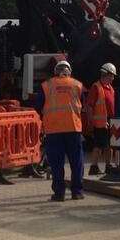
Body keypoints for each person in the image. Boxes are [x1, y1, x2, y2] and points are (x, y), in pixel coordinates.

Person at [36, 60, 85, 202]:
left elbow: (38, 107)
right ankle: (77, 192)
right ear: (69, 71)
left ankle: (59, 194)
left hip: (54, 130)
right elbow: (82, 104)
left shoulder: (46, 86)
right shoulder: (77, 85)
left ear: (55, 71)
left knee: (56, 163)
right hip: (73, 129)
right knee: (76, 162)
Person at [87, 63, 116, 176]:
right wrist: (90, 121)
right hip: (100, 123)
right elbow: (89, 106)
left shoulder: (110, 88)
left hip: (109, 121)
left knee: (110, 145)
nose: (113, 78)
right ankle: (94, 167)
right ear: (106, 74)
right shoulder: (96, 87)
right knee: (98, 146)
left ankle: (108, 166)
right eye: (112, 75)